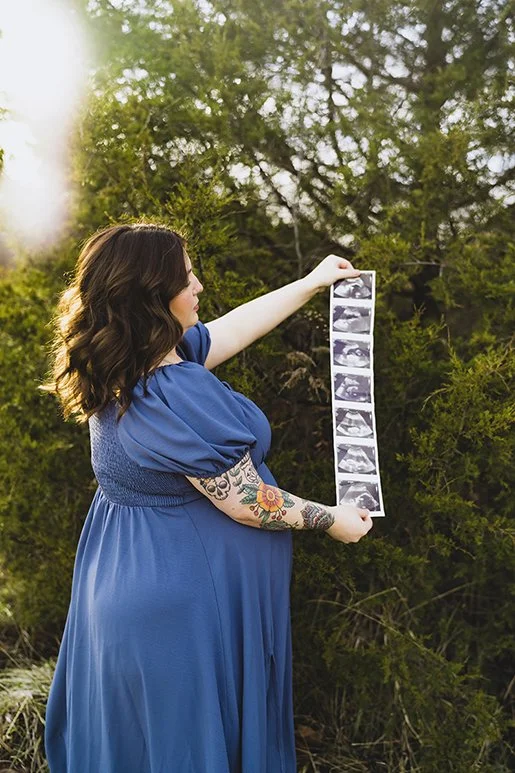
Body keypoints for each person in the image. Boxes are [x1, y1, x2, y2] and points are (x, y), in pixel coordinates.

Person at [42, 222, 373, 773]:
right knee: (187, 747)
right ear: (152, 298)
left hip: (124, 579)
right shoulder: (176, 391)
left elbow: (226, 333)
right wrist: (331, 519)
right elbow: (246, 500)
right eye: (185, 277)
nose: (197, 285)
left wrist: (310, 284)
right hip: (183, 605)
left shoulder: (123, 362)